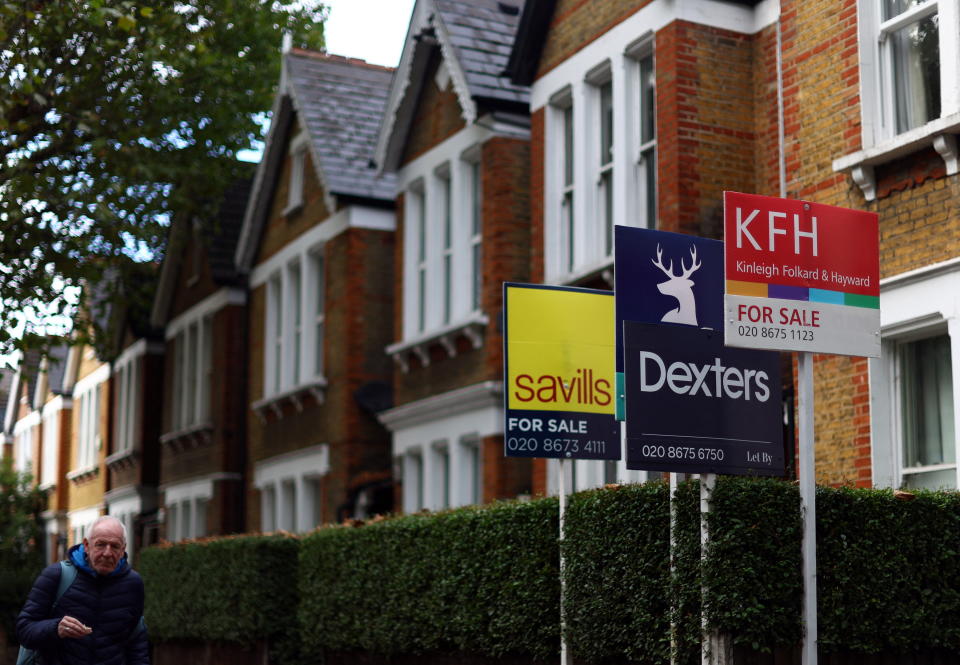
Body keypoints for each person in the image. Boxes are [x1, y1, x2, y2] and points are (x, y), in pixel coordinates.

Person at [16, 515, 150, 665]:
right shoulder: (57, 575)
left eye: (115, 546)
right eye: (100, 544)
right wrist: (55, 628)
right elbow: (24, 630)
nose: (107, 553)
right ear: (86, 545)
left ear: (123, 549)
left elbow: (137, 644)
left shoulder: (133, 583)